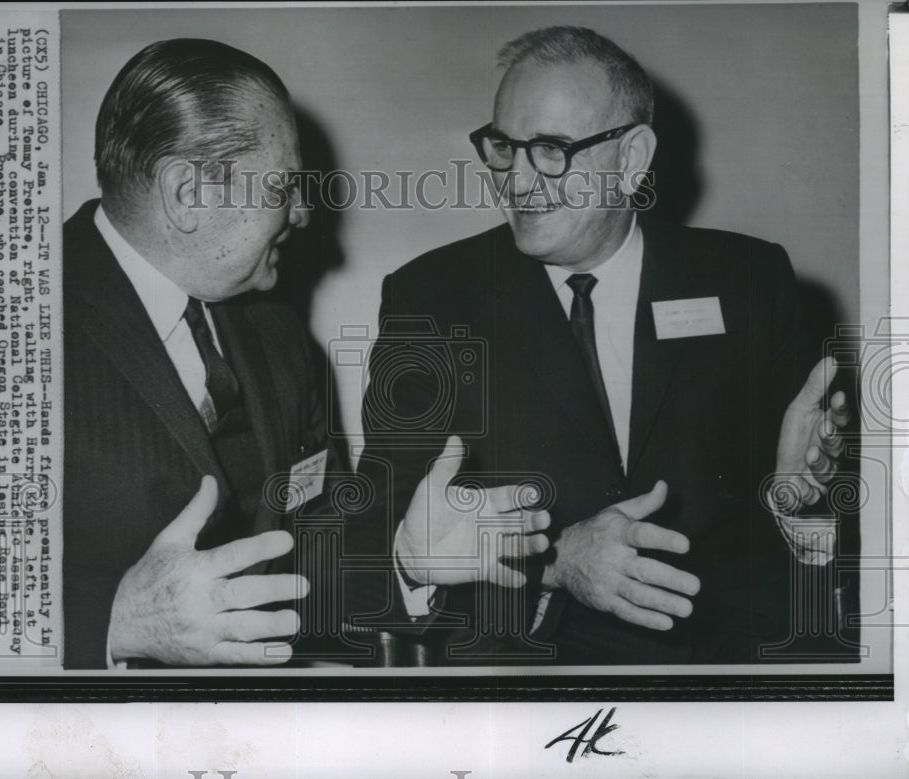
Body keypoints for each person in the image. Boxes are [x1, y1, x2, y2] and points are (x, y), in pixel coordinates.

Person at [344, 26, 850, 665]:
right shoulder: (433, 298)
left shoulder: (751, 278)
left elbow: (817, 516)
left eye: (552, 149)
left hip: (734, 666)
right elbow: (380, 533)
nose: (517, 181)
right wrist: (555, 563)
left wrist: (800, 498)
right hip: (529, 671)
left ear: (633, 156)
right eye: (504, 146)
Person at [63, 39, 550, 669]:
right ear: (187, 193)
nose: (303, 211)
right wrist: (116, 624)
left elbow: (314, 572)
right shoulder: (0, 320)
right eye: (285, 188)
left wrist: (408, 556)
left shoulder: (277, 334)